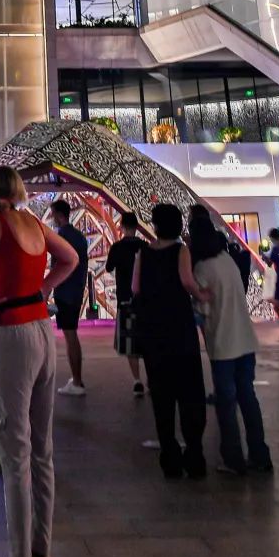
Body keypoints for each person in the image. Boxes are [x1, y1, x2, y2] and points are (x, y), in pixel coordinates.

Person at [0, 166, 79, 557]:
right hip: (42, 330)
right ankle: (41, 554)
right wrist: (44, 288)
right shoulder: (35, 224)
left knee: (14, 453)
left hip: (8, 334)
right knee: (42, 449)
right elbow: (71, 258)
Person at [131, 203, 209, 480]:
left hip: (154, 332)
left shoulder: (143, 252)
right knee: (190, 394)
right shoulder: (181, 250)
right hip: (179, 328)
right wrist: (202, 295)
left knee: (162, 397)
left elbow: (135, 288)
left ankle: (170, 458)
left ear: (155, 225)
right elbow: (187, 282)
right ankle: (194, 457)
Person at [191, 226, 273, 475]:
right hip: (245, 341)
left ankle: (233, 458)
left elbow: (203, 309)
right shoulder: (228, 261)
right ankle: (260, 455)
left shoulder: (202, 268)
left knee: (226, 404)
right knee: (248, 398)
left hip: (224, 344)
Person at [48, 197, 88, 395]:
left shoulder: (61, 237)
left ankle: (77, 382)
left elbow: (56, 266)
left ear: (59, 215)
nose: (52, 218)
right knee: (72, 334)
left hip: (65, 292)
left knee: (70, 335)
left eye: (53, 214)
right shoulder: (79, 236)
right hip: (76, 290)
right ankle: (77, 378)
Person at [105, 211, 145, 395]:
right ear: (137, 227)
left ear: (121, 227)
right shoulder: (145, 247)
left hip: (125, 299)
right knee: (146, 339)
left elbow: (108, 268)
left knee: (129, 342)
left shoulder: (117, 248)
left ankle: (137, 380)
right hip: (144, 300)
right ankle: (152, 379)